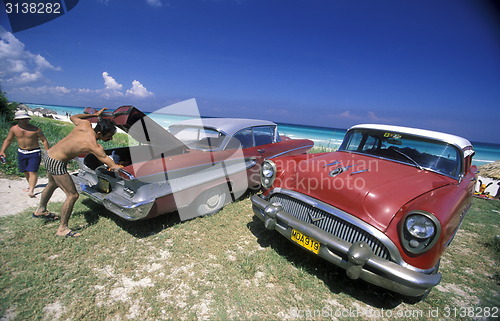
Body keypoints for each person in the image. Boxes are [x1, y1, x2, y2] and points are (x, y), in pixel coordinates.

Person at [34, 108, 121, 237]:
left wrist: (94, 115)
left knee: (52, 184)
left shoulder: (85, 125)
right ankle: (62, 229)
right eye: (109, 136)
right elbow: (112, 165)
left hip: (49, 155)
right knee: (72, 195)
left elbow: (73, 117)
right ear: (100, 132)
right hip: (57, 162)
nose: (111, 139)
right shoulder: (93, 145)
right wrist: (126, 168)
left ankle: (40, 210)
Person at [0, 109, 50, 198]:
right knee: (25, 171)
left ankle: (31, 190)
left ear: (28, 119)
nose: (24, 120)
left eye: (25, 118)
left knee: (33, 171)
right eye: (21, 119)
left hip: (34, 152)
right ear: (17, 120)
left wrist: (48, 152)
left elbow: (44, 140)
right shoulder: (14, 129)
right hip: (21, 152)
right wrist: (2, 151)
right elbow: (8, 140)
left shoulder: (35, 129)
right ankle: (30, 185)